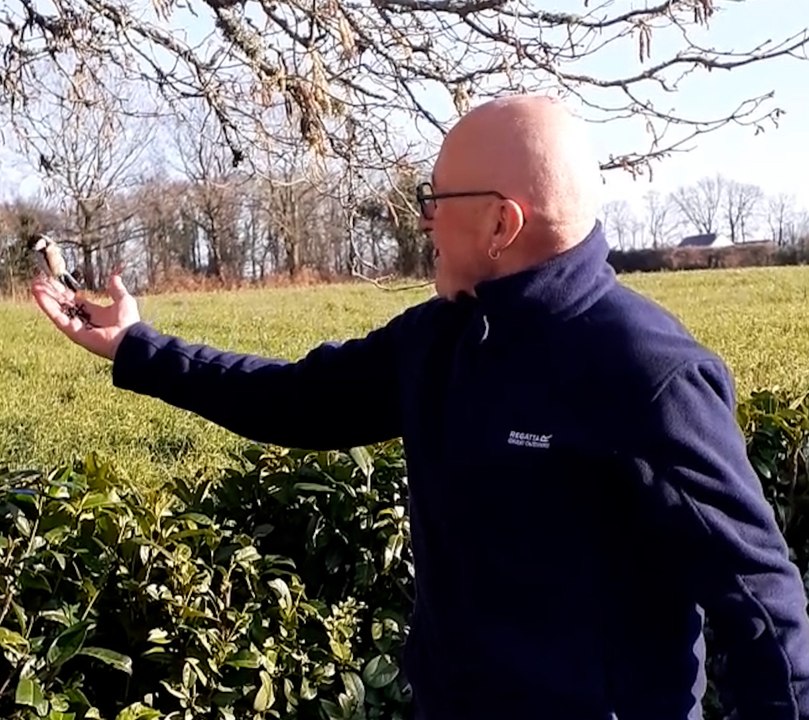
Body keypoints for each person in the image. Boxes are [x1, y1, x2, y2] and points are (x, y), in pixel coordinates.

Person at [32, 95, 809, 720]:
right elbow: (298, 401)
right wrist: (138, 348)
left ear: (502, 223)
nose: (425, 218)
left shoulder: (646, 374)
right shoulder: (444, 337)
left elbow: (760, 604)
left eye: (437, 199)